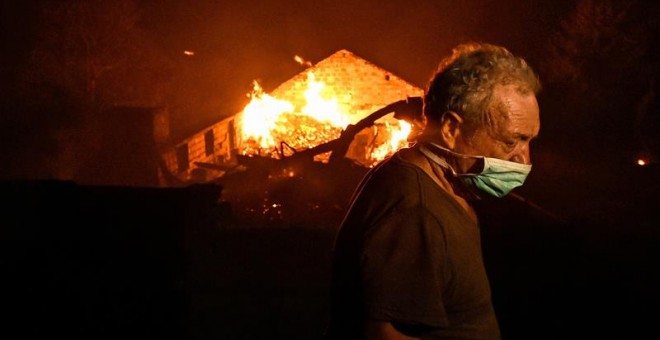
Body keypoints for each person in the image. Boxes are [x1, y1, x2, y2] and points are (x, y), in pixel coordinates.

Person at [326, 42, 541, 339]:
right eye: (511, 141)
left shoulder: (441, 186)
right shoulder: (414, 211)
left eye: (529, 141)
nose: (524, 158)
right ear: (452, 130)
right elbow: (382, 335)